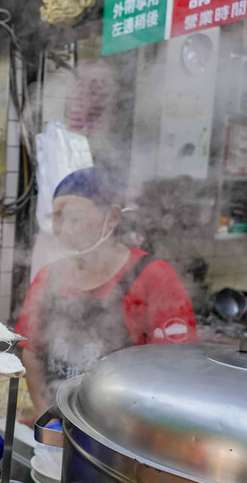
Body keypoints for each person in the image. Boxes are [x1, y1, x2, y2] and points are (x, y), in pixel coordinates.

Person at [15, 167, 198, 413]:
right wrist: (47, 419)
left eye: (75, 218)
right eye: (58, 217)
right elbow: (32, 355)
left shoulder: (154, 277)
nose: (65, 229)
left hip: (123, 428)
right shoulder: (48, 277)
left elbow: (174, 370)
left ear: (112, 217)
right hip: (57, 422)